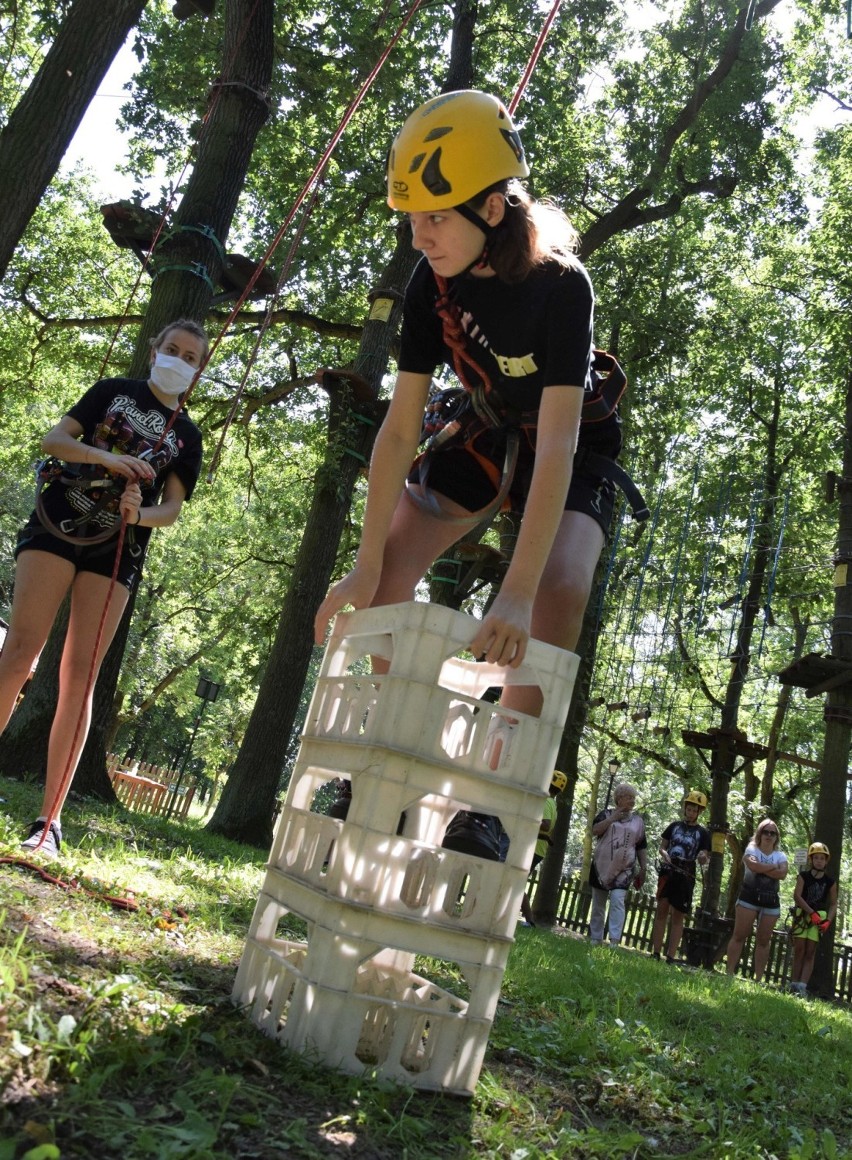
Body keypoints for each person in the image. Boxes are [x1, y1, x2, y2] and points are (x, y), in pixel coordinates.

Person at [314, 91, 624, 851]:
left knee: (559, 592)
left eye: (434, 217)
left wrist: (514, 595)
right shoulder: (431, 285)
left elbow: (554, 449)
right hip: (482, 426)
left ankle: (491, 800)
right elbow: (395, 434)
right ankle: (378, 773)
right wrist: (359, 567)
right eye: (411, 218)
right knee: (386, 569)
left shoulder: (562, 287)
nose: (418, 237)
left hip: (570, 445)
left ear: (491, 207)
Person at [0, 319, 207, 857]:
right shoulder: (113, 392)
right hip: (56, 523)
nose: (178, 360)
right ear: (154, 349)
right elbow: (55, 440)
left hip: (117, 549)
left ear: (198, 370)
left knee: (81, 675)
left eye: (190, 356)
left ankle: (49, 823)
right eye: (171, 349)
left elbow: (173, 511)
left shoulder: (188, 435)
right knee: (19, 652)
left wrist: (142, 514)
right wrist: (106, 458)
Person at [650, 790, 711, 963]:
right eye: (689, 809)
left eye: (695, 810)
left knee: (678, 915)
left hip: (687, 872)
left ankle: (670, 955)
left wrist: (702, 857)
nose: (691, 813)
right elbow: (662, 846)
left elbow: (705, 856)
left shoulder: (703, 833)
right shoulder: (674, 826)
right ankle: (655, 952)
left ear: (700, 812)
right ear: (685, 808)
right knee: (661, 909)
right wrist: (664, 855)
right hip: (668, 869)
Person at [725, 818, 788, 983]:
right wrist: (773, 867)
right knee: (739, 935)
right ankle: (729, 974)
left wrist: (762, 867)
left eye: (772, 833)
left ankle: (758, 979)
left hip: (771, 901)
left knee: (764, 940)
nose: (768, 835)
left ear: (776, 837)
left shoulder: (780, 855)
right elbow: (753, 867)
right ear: (759, 833)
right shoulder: (751, 848)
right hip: (749, 897)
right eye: (765, 832)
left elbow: (783, 874)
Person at [588, 782, 647, 947]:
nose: (632, 801)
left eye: (633, 798)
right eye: (629, 797)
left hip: (625, 870)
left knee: (617, 901)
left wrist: (644, 868)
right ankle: (596, 938)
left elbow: (642, 846)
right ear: (619, 799)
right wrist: (613, 818)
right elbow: (595, 830)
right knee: (598, 904)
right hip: (601, 867)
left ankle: (614, 940)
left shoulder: (638, 821)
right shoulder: (605, 814)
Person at [789, 841, 837, 994]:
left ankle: (802, 986)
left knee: (810, 951)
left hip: (819, 919)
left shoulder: (830, 882)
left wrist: (827, 921)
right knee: (799, 949)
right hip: (803, 915)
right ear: (811, 859)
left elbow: (834, 904)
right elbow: (797, 896)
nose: (819, 861)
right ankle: (794, 984)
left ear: (826, 861)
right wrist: (811, 913)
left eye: (822, 858)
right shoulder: (803, 876)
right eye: (816, 858)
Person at [520, 768, 566, 926]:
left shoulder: (546, 801)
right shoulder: (552, 803)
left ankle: (529, 920)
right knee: (516, 882)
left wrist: (526, 819)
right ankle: (528, 919)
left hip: (533, 848)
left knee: (516, 882)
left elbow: (545, 825)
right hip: (537, 849)